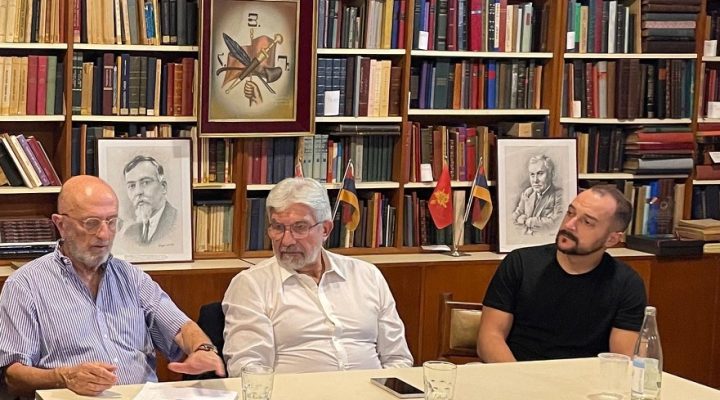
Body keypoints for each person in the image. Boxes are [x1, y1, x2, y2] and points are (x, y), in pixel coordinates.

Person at [0, 176, 224, 397]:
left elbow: (181, 328)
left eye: (112, 222)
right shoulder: (25, 285)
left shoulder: (132, 278)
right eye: (91, 223)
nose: (104, 234)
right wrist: (64, 377)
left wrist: (202, 349)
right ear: (61, 225)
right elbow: (12, 375)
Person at [222, 177, 413, 376]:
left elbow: (398, 358)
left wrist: (385, 389)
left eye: (300, 227)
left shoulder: (367, 275)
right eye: (278, 227)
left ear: (326, 229)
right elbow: (248, 369)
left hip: (372, 390)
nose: (286, 241)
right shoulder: (251, 284)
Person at [477, 184, 647, 362]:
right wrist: (520, 377)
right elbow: (490, 338)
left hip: (585, 377)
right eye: (570, 213)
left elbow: (622, 359)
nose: (569, 225)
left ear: (611, 239)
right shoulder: (520, 263)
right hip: (517, 369)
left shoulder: (627, 284)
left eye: (587, 222)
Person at [121, 155, 177, 245]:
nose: (138, 192)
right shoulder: (129, 234)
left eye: (145, 182)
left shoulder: (178, 223)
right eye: (132, 186)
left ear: (163, 187)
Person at [511, 155, 564, 235]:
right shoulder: (528, 193)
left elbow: (556, 222)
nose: (535, 180)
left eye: (540, 174)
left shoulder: (560, 195)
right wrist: (516, 218)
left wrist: (528, 221)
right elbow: (515, 215)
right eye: (532, 174)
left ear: (551, 174)